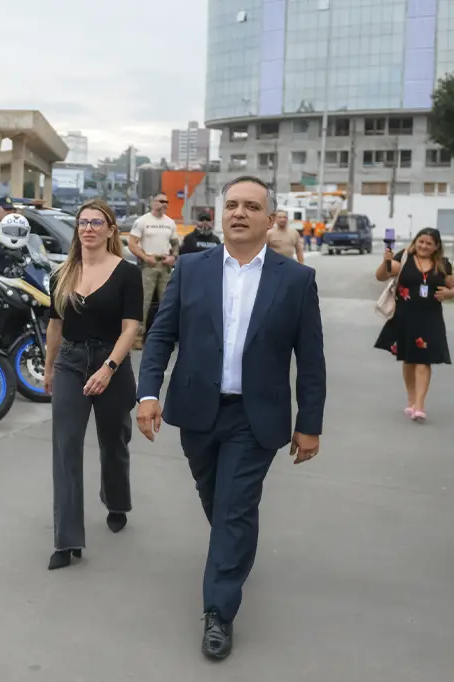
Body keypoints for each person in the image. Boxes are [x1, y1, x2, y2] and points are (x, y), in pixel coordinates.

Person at [135, 175, 326, 662]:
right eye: (232, 205)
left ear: (269, 219)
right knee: (217, 500)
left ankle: (218, 612)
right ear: (222, 215)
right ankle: (233, 551)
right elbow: (161, 337)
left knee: (235, 508)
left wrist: (311, 422)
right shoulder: (192, 269)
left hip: (255, 416)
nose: (239, 213)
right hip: (197, 410)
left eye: (251, 206)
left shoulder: (296, 279)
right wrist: (148, 392)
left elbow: (311, 358)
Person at [43, 199, 143, 571]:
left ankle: (116, 500)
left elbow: (131, 327)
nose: (88, 228)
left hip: (111, 362)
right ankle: (66, 540)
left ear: (110, 230)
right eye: (83, 223)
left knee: (113, 438)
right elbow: (55, 326)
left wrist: (109, 367)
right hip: (70, 363)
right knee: (66, 447)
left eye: (96, 223)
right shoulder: (62, 273)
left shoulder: (127, 273)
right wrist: (49, 367)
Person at [373, 227, 453, 421]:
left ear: (436, 247)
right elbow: (382, 276)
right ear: (416, 241)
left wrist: (450, 294)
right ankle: (411, 400)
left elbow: (452, 285)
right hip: (404, 316)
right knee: (409, 359)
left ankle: (420, 405)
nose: (424, 246)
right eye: (421, 241)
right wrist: (386, 260)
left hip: (430, 318)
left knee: (423, 360)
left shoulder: (442, 265)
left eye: (429, 243)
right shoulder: (405, 257)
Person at [128, 192, 178, 349]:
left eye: (167, 201)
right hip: (148, 264)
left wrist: (174, 256)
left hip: (164, 264)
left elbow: (175, 243)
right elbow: (132, 243)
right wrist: (144, 257)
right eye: (161, 201)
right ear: (152, 202)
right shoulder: (142, 221)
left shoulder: (170, 223)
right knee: (143, 301)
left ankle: (165, 335)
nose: (164, 204)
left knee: (167, 301)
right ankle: (137, 337)